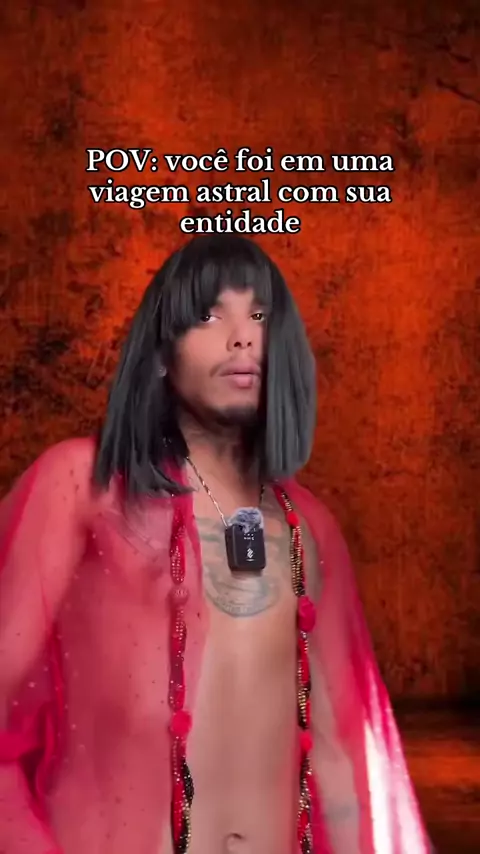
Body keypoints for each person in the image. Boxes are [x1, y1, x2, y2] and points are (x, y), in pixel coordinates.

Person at [0, 234, 433, 854]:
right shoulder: (81, 486)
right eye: (209, 315)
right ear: (159, 352)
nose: (241, 337)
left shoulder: (310, 529)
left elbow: (341, 758)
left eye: (259, 315)